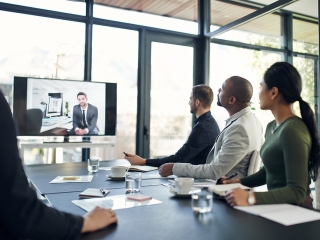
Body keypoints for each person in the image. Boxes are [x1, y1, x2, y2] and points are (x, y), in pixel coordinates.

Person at [0, 90, 117, 239]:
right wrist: (84, 222)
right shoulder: (75, 109)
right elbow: (20, 211)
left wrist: (85, 130)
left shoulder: (93, 109)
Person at [224, 62, 320, 208]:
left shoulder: (292, 130)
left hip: (297, 213)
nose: (259, 93)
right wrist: (240, 182)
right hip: (278, 209)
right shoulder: (271, 127)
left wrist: (250, 197)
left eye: (261, 86)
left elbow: (297, 192)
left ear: (274, 92)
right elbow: (269, 171)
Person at [159, 76, 263, 179]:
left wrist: (174, 168)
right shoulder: (255, 122)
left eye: (222, 89)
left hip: (224, 191)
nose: (218, 90)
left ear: (231, 100)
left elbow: (214, 171)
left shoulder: (239, 128)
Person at [125, 85, 220, 167]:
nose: (189, 103)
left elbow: (178, 159)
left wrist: (143, 161)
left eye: (190, 99)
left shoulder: (202, 128)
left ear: (197, 102)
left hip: (195, 179)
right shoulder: (211, 123)